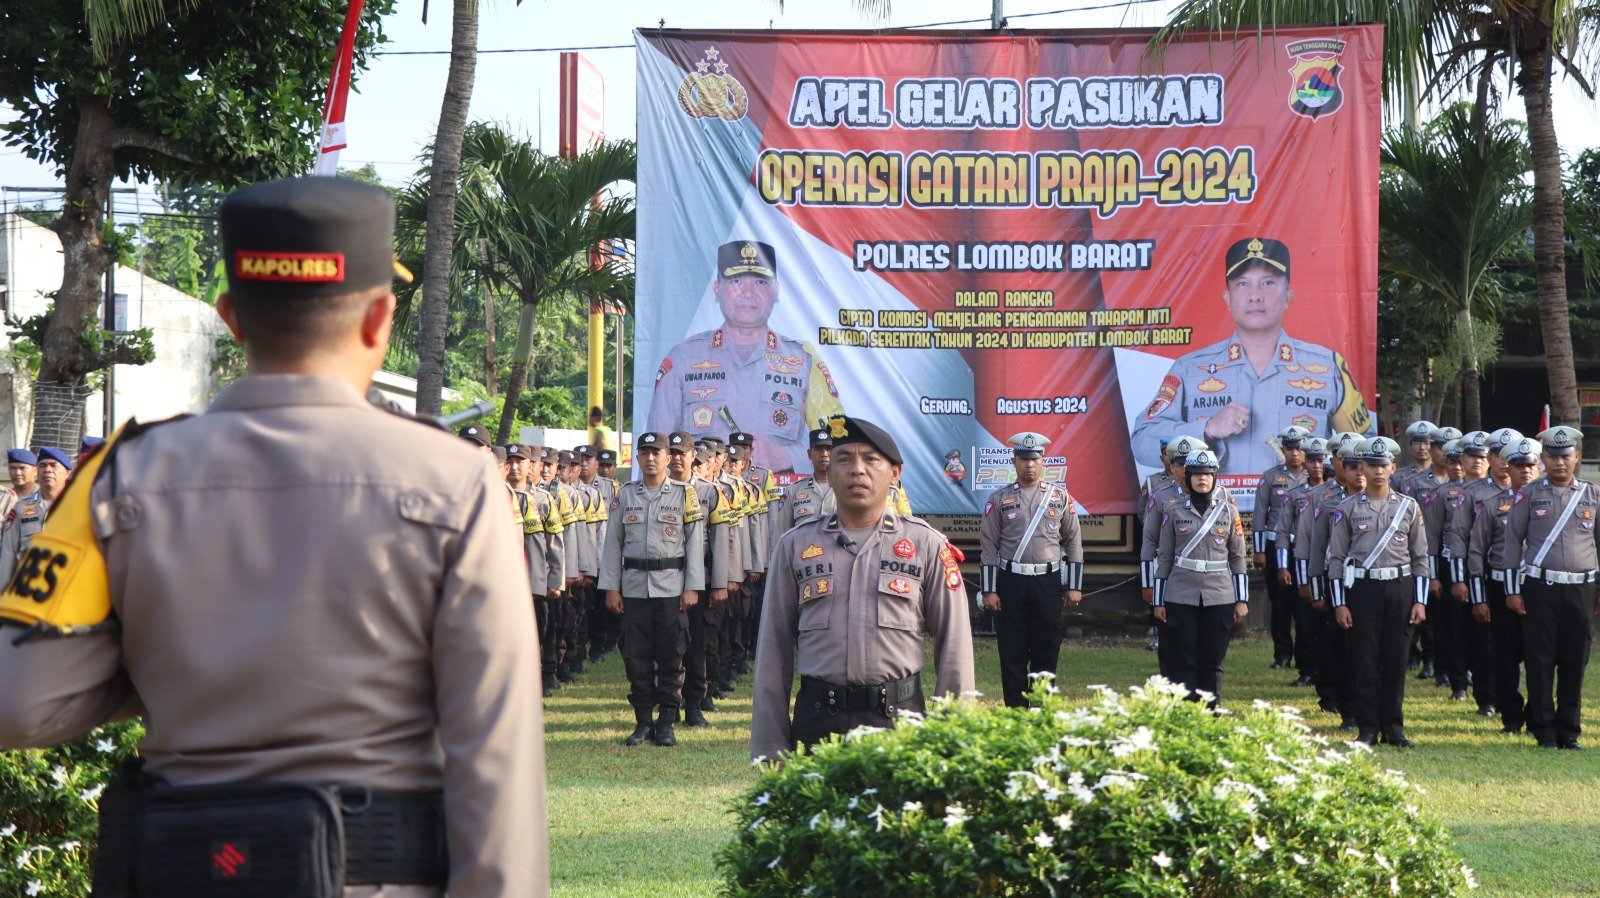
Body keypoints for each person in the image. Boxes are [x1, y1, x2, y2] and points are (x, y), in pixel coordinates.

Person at [0, 176, 548, 896]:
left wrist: (158, 659)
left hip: (187, 871)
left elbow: (18, 703)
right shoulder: (458, 481)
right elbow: (496, 750)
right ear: (380, 318)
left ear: (232, 316)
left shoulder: (118, 479)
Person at [749, 415, 974, 760]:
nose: (857, 470)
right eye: (844, 459)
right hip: (818, 722)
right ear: (829, 469)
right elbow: (773, 650)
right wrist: (770, 746)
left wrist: (952, 743)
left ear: (895, 472)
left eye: (871, 459)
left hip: (899, 721)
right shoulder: (795, 545)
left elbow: (955, 649)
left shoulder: (926, 545)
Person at [1129, 237, 1375, 489]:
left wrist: (1322, 470)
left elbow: (1365, 445)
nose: (1255, 296)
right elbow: (1142, 442)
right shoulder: (1189, 369)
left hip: (1303, 516)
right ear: (1227, 298)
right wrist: (1206, 429)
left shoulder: (1328, 367)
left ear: (1288, 296)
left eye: (1268, 283)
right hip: (1217, 518)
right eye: (1243, 283)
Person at [646, 240, 845, 474]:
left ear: (777, 290)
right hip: (702, 504)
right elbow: (654, 449)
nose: (748, 293)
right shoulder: (682, 358)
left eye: (761, 282)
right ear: (716, 289)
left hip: (781, 503)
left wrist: (788, 456)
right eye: (736, 281)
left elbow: (839, 441)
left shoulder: (803, 359)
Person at [599, 432, 706, 747]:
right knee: (636, 658)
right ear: (637, 457)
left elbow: (694, 545)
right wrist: (611, 588)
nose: (650, 458)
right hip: (633, 588)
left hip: (671, 588)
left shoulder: (685, 495)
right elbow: (612, 544)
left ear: (667, 456)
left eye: (656, 452)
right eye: (644, 452)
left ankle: (666, 723)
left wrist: (693, 587)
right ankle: (643, 722)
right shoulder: (626, 494)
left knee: (672, 657)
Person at [1497, 425, 1598, 751]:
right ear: (1543, 459)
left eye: (1565, 456)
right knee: (1539, 661)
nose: (1559, 462)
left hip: (1581, 590)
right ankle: (1543, 729)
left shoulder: (1592, 495)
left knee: (1574, 660)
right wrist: (1512, 591)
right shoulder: (1529, 494)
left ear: (1576, 458)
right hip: (1540, 587)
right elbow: (1512, 542)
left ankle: (1569, 730)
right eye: (1552, 456)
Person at [1327, 436, 1429, 748]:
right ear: (1362, 468)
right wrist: (1339, 603)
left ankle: (1394, 728)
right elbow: (1335, 559)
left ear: (1393, 467)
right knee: (1366, 660)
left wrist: (1420, 601)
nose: (1377, 471)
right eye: (1371, 465)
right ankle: (1368, 727)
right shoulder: (1346, 508)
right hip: (1363, 589)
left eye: (1383, 465)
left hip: (1400, 588)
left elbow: (1421, 557)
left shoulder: (1409, 508)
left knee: (1396, 661)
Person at [979, 432, 1084, 707]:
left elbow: (1073, 541)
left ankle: (1040, 708)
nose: (1029, 465)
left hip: (1047, 583)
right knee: (1012, 650)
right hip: (1010, 583)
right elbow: (989, 546)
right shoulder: (999, 499)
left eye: (1034, 459)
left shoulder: (1060, 497)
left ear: (1043, 461)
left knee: (1046, 648)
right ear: (1014, 461)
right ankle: (1015, 711)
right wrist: (989, 590)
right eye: (1024, 459)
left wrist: (1074, 585)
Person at [1152, 449, 1249, 707]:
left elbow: (1238, 558)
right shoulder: (1173, 510)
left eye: (1207, 474)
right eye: (1197, 474)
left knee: (1213, 661)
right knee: (1185, 660)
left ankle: (1212, 712)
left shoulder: (1228, 511)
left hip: (1220, 594)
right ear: (1189, 477)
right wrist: (1158, 601)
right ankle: (1188, 712)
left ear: (1214, 477)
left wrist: (1242, 599)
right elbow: (1164, 558)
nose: (1202, 479)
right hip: (1180, 594)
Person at [1468, 436, 1540, 735]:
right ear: (1507, 469)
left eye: (1531, 466)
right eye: (1519, 465)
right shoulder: (1493, 505)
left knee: (1539, 656)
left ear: (1539, 469)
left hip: (1537, 588)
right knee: (1505, 656)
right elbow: (1476, 550)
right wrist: (1478, 597)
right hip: (1499, 586)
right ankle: (1511, 717)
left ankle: (1537, 714)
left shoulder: (1549, 504)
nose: (1525, 471)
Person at [1297, 432, 1368, 726]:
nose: (1350, 466)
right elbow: (1309, 544)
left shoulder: (1376, 494)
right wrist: (1313, 586)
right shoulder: (1320, 497)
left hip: (1368, 579)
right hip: (1333, 579)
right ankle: (1334, 697)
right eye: (1342, 459)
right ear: (1335, 460)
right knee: (1334, 645)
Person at [667, 434, 732, 726]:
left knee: (697, 644)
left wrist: (720, 582)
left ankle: (693, 704)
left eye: (683, 452)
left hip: (701, 579)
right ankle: (669, 702)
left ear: (693, 456)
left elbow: (721, 541)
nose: (678, 458)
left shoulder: (710, 492)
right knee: (667, 644)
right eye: (673, 452)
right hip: (665, 578)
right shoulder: (657, 490)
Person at [1253, 425, 1311, 670]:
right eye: (1289, 448)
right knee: (1280, 605)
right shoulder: (1270, 477)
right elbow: (1259, 514)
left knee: (1305, 604)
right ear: (1283, 450)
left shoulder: (1316, 476)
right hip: (1276, 546)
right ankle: (1282, 655)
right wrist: (1258, 550)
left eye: (1298, 448)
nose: (1294, 453)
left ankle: (1306, 655)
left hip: (1307, 548)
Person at [1274, 435, 1328, 687]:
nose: (1317, 465)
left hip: (1332, 560)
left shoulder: (1337, 491)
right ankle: (1306, 669)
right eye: (1312, 460)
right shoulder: (1296, 495)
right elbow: (1283, 531)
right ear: (1305, 463)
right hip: (1302, 559)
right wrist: (1283, 565)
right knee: (1305, 617)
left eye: (1321, 460)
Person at [766, 426, 834, 547]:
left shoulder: (848, 489)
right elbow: (781, 537)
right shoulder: (793, 491)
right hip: (803, 561)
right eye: (818, 449)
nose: (824, 454)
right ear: (809, 454)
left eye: (829, 449)